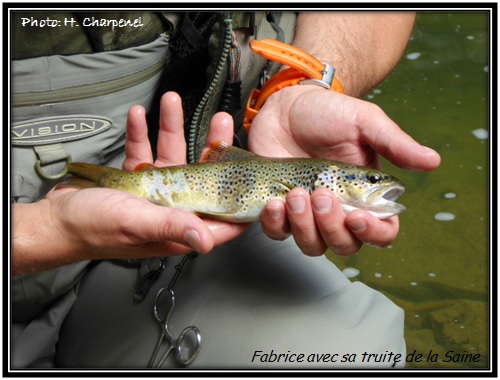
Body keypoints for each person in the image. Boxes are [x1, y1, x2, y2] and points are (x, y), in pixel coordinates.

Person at [11, 11, 440, 369]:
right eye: (367, 180)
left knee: (356, 353)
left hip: (134, 252)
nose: (376, 183)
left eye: (367, 182)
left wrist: (304, 82)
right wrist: (51, 232)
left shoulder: (312, 178)